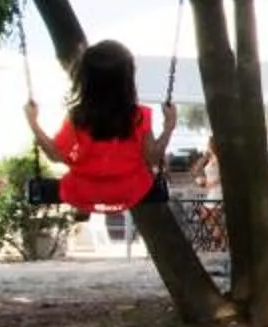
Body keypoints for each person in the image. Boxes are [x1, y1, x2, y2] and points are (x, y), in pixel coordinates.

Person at [25, 41, 173, 218]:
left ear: (86, 80)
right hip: (130, 191)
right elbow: (153, 158)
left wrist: (33, 122)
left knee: (79, 179)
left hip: (83, 192)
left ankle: (83, 207)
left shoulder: (78, 118)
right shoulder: (139, 116)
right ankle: (88, 203)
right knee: (137, 173)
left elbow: (55, 155)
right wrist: (169, 126)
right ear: (127, 80)